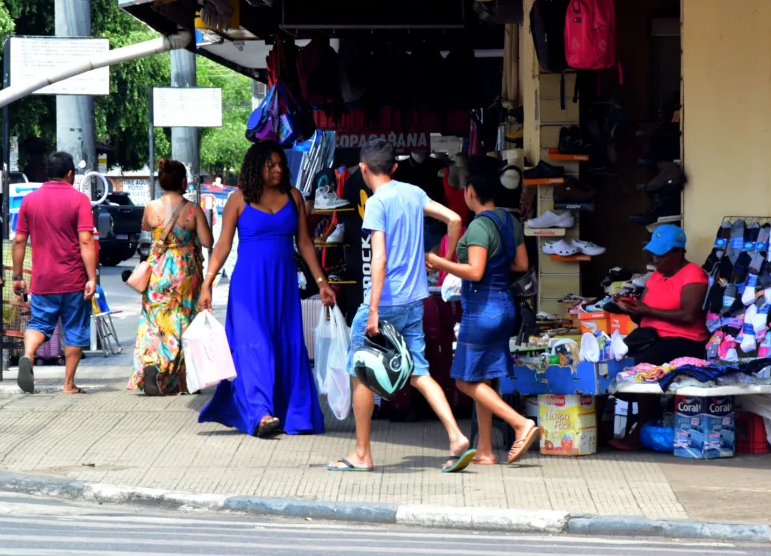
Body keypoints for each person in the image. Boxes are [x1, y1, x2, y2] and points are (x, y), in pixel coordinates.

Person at [328, 138, 471, 473]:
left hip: (386, 301)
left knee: (359, 371)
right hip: (414, 301)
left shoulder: (377, 202)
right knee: (419, 371)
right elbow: (454, 219)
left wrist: (373, 310)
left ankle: (362, 454)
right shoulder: (412, 193)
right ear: (394, 167)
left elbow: (378, 259)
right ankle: (455, 436)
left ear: (363, 168)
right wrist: (441, 261)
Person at [198, 141, 336, 437]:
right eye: (270, 165)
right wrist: (207, 282)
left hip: (284, 284)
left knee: (287, 344)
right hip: (248, 285)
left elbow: (305, 243)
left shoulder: (294, 196)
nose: (277, 170)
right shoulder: (239, 199)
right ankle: (261, 413)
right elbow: (223, 245)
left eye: (280, 164)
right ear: (255, 167)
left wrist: (322, 282)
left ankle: (294, 414)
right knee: (254, 345)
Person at [425, 156, 540, 465]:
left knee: (464, 380)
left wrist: (438, 262)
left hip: (482, 310)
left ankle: (520, 423)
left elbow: (474, 272)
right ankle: (486, 450)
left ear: (470, 192)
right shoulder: (509, 221)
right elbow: (521, 265)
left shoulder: (477, 227)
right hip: (505, 307)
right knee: (484, 379)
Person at [611, 224, 707, 448]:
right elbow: (644, 314)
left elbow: (689, 315)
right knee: (614, 362)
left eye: (662, 255)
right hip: (651, 336)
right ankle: (621, 425)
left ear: (678, 252)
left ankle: (641, 429)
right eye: (654, 254)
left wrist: (647, 311)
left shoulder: (693, 274)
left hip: (684, 340)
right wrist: (632, 310)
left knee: (642, 366)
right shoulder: (655, 276)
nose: (656, 259)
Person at [12, 152, 97, 395]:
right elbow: (86, 240)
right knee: (74, 329)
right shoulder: (79, 199)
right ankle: (68, 384)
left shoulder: (30, 200)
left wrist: (18, 277)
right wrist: (91, 277)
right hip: (73, 279)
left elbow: (19, 241)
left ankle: (28, 355)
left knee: (39, 323)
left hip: (42, 280)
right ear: (70, 173)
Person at [128, 159, 215, 396]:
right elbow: (208, 242)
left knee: (154, 320)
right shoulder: (193, 209)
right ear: (184, 181)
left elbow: (146, 226)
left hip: (158, 270)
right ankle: (183, 379)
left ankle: (153, 365)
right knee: (183, 320)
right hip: (185, 271)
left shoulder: (151, 207)